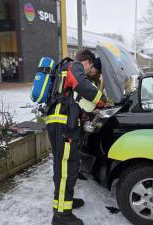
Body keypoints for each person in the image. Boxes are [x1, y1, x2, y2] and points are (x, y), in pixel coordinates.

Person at [46, 49, 106, 225]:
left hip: (59, 123)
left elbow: (73, 97)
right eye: (91, 68)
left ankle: (64, 203)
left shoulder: (64, 69)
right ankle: (61, 216)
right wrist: (101, 99)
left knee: (62, 167)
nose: (89, 72)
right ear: (86, 62)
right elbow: (82, 84)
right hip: (63, 125)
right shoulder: (74, 65)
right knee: (67, 168)